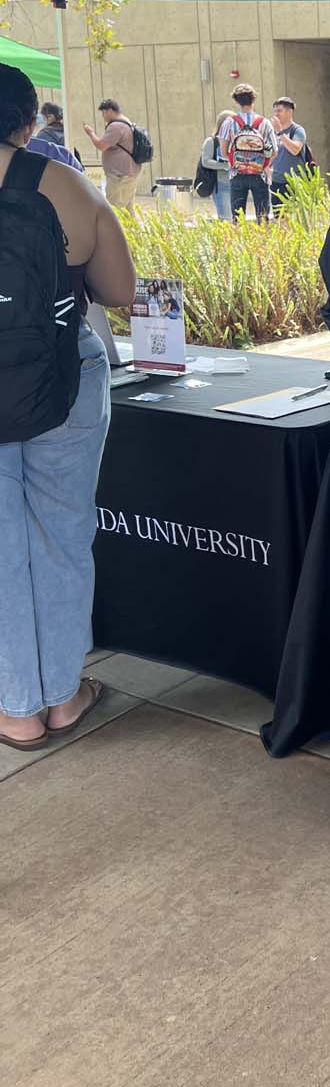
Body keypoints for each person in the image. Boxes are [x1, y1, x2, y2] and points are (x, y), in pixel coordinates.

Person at [0, 63, 136, 749]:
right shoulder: (63, 184)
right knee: (61, 535)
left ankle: (15, 707)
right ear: (28, 124)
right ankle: (63, 695)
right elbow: (117, 289)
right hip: (62, 381)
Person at [218, 85, 276, 222]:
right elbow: (274, 150)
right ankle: (263, 242)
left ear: (237, 101)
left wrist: (238, 161)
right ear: (254, 100)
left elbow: (223, 152)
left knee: (238, 218)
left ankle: (240, 242)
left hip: (237, 174)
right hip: (259, 175)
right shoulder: (264, 123)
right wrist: (262, 164)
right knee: (262, 217)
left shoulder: (229, 122)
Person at [82, 98, 139, 209]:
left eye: (103, 113)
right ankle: (130, 227)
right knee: (128, 210)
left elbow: (101, 145)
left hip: (119, 176)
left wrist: (91, 133)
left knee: (114, 210)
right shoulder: (127, 122)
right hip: (130, 172)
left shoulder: (116, 126)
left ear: (109, 111)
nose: (103, 116)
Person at [269, 97, 308, 212]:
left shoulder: (297, 130)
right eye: (275, 111)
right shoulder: (273, 132)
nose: (276, 114)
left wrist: (280, 133)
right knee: (278, 217)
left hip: (293, 182)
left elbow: (295, 149)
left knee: (293, 216)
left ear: (290, 112)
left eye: (279, 111)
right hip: (276, 181)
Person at [199, 110, 236, 220]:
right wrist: (225, 165)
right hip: (221, 186)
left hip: (236, 186)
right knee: (226, 219)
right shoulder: (211, 141)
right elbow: (205, 161)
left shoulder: (235, 141)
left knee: (236, 220)